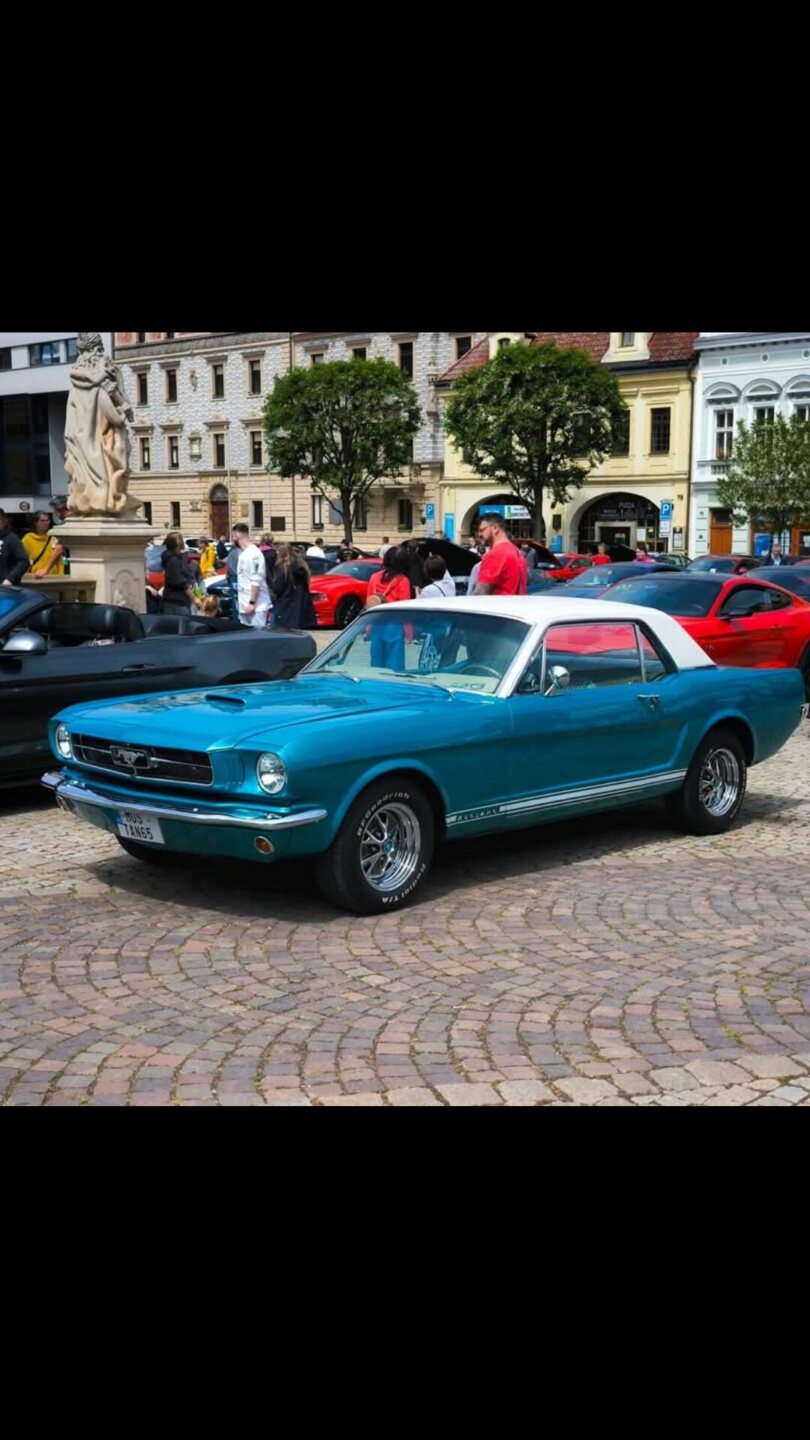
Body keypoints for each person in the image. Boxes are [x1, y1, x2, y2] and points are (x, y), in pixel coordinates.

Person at [63, 332, 139, 516]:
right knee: (101, 468)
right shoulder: (90, 373)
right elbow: (112, 405)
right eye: (97, 350)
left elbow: (118, 396)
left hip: (92, 434)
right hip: (90, 435)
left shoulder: (96, 373)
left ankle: (105, 498)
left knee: (102, 465)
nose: (98, 354)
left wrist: (121, 403)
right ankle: (103, 499)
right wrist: (121, 410)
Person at [366, 547, 411, 670]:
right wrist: (409, 633)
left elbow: (369, 603)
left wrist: (368, 628)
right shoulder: (403, 581)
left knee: (376, 665)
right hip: (394, 626)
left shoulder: (374, 578)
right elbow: (405, 611)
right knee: (395, 667)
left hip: (377, 624)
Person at [473, 512, 528, 595]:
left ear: (495, 528)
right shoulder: (517, 552)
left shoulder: (496, 554)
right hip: (516, 603)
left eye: (482, 530)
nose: (479, 534)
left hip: (496, 603)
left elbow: (480, 594)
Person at [233, 523, 272, 627]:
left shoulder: (254, 554)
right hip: (244, 605)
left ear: (236, 536)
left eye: (233, 537)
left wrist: (252, 602)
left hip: (257, 607)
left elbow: (256, 580)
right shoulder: (243, 553)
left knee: (257, 635)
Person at [271, 544, 317, 628]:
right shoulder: (302, 566)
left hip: (287, 605)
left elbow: (278, 588)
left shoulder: (284, 569)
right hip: (301, 606)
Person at [161, 531, 196, 615]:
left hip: (180, 600)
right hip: (176, 600)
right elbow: (179, 582)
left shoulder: (178, 558)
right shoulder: (173, 560)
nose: (182, 542)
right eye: (181, 539)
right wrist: (194, 598)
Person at [23, 510, 65, 577]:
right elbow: (23, 561)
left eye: (47, 520)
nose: (46, 523)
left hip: (53, 577)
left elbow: (59, 561)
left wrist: (61, 575)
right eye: (42, 521)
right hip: (35, 576)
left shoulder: (53, 539)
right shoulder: (27, 539)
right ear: (35, 523)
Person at [0, 509, 29, 587]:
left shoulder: (12, 538)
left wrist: (9, 579)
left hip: (6, 586)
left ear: (3, 520)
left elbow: (23, 561)